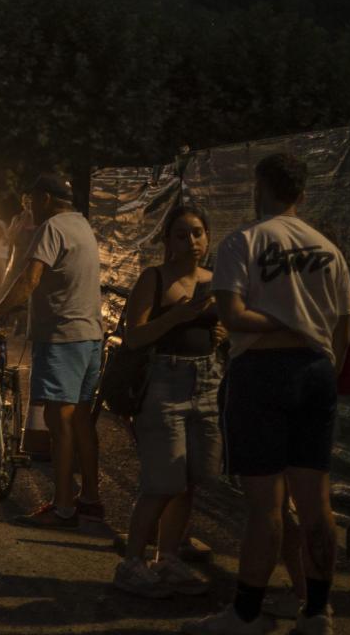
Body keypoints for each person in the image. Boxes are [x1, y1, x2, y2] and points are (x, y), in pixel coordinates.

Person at [185, 154, 350, 635]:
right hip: (317, 372)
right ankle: (319, 612)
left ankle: (246, 613)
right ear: (302, 194)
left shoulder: (244, 241)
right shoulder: (329, 249)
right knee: (316, 500)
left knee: (266, 505)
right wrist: (325, 363)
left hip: (260, 373)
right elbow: (344, 325)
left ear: (260, 186)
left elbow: (233, 315)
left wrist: (284, 320)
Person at [112, 205, 223, 599]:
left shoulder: (215, 282)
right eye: (181, 234)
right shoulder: (155, 279)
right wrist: (179, 316)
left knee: (190, 479)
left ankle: (168, 557)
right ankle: (131, 564)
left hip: (207, 382)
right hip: (164, 383)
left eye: (197, 233)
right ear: (167, 242)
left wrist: (219, 333)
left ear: (208, 237)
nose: (191, 242)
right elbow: (135, 336)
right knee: (162, 481)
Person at [0, 173, 105, 530]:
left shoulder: (52, 229)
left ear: (46, 199)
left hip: (62, 338)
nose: (30, 208)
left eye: (31, 201)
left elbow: (30, 278)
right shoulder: (82, 225)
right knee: (82, 422)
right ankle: (91, 500)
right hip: (90, 338)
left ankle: (64, 505)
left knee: (59, 423)